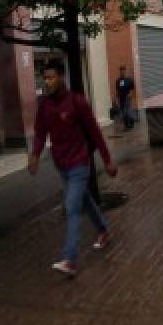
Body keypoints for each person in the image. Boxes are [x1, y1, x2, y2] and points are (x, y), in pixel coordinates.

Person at [28, 60, 114, 278]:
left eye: (51, 77)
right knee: (84, 199)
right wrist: (35, 155)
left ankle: (70, 260)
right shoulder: (45, 106)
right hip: (62, 164)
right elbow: (40, 133)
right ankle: (103, 230)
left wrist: (107, 159)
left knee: (72, 207)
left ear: (61, 77)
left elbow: (95, 132)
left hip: (80, 163)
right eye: (44, 78)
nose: (46, 82)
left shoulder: (77, 102)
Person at [114, 66, 137, 130]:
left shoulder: (129, 80)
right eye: (121, 71)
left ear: (125, 71)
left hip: (127, 98)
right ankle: (127, 125)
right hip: (121, 98)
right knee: (123, 111)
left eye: (123, 71)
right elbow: (117, 90)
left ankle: (130, 122)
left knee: (126, 111)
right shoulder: (118, 81)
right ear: (120, 72)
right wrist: (116, 99)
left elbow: (132, 89)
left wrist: (130, 94)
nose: (122, 73)